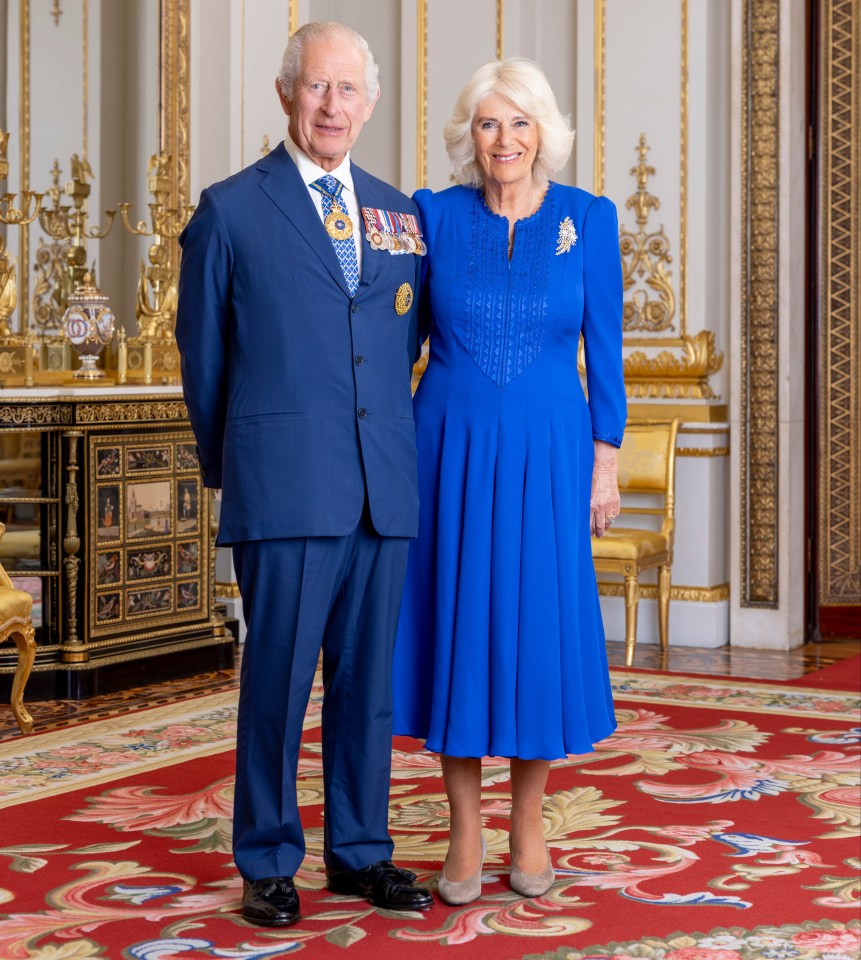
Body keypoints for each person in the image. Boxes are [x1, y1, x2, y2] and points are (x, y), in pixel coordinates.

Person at [176, 21, 432, 927]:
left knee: (367, 684)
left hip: (381, 487)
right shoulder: (230, 209)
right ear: (287, 95)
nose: (333, 106)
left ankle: (360, 853)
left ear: (369, 102)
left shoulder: (401, 213)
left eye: (349, 91)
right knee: (279, 680)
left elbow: (406, 342)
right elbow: (203, 362)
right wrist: (237, 467)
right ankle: (268, 858)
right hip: (283, 484)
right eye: (316, 88)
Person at [392, 58, 626, 906]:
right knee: (454, 622)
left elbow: (606, 349)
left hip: (549, 453)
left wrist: (606, 461)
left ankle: (527, 821)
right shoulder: (432, 216)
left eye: (519, 122)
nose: (504, 140)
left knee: (531, 630)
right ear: (469, 137)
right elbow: (397, 343)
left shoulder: (587, 219)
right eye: (489, 124)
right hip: (445, 446)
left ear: (544, 133)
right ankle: (463, 829)